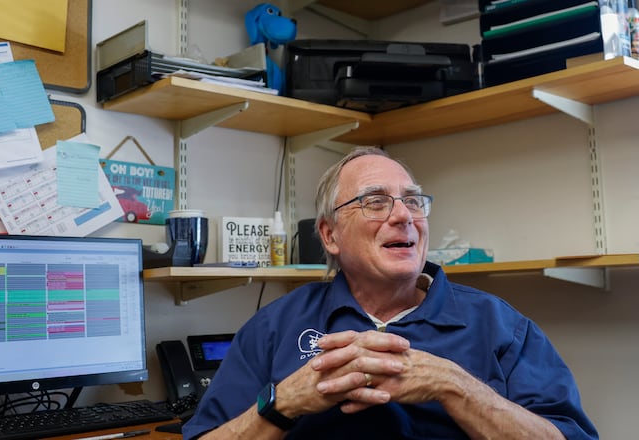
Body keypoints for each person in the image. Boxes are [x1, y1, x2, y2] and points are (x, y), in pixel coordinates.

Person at [182, 146, 598, 439]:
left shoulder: (501, 327)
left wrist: (453, 385)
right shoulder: (273, 328)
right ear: (330, 235)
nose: (404, 216)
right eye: (376, 202)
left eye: (413, 202)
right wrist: (282, 404)